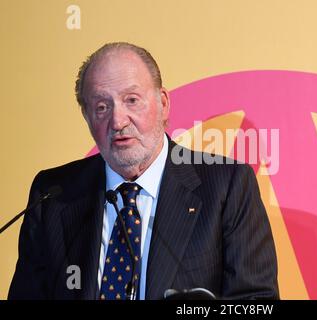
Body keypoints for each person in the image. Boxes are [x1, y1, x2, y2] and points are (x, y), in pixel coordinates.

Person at [8, 42, 279, 300]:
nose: (117, 120)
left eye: (132, 100)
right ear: (87, 118)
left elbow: (255, 301)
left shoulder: (226, 185)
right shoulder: (53, 194)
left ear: (163, 104)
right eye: (102, 107)